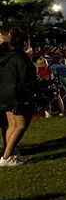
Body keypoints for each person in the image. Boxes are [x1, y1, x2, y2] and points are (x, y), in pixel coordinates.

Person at [0, 27, 37, 166]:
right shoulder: (21, 57)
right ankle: (7, 157)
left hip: (5, 93)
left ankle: (11, 154)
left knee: (11, 125)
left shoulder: (6, 56)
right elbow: (26, 78)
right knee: (21, 125)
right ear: (24, 42)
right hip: (18, 94)